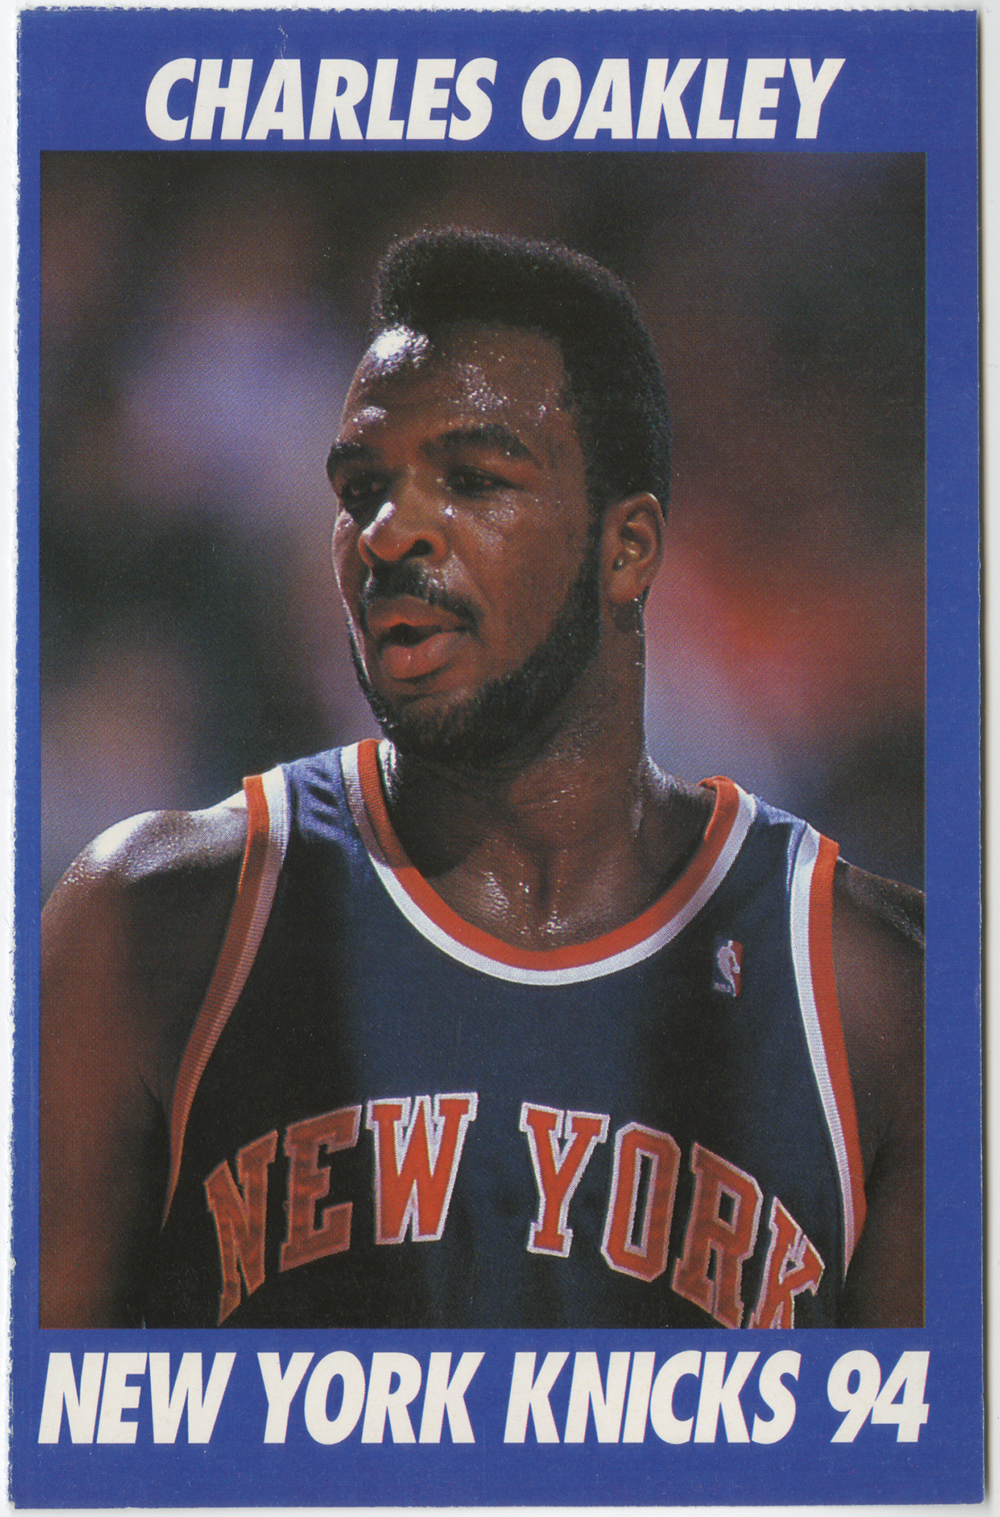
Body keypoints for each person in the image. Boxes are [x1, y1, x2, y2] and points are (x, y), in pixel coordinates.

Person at [40, 229, 924, 1330]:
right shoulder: (160, 920)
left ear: (628, 548)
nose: (389, 531)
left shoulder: (877, 992)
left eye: (471, 479)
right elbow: (31, 1426)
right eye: (361, 487)